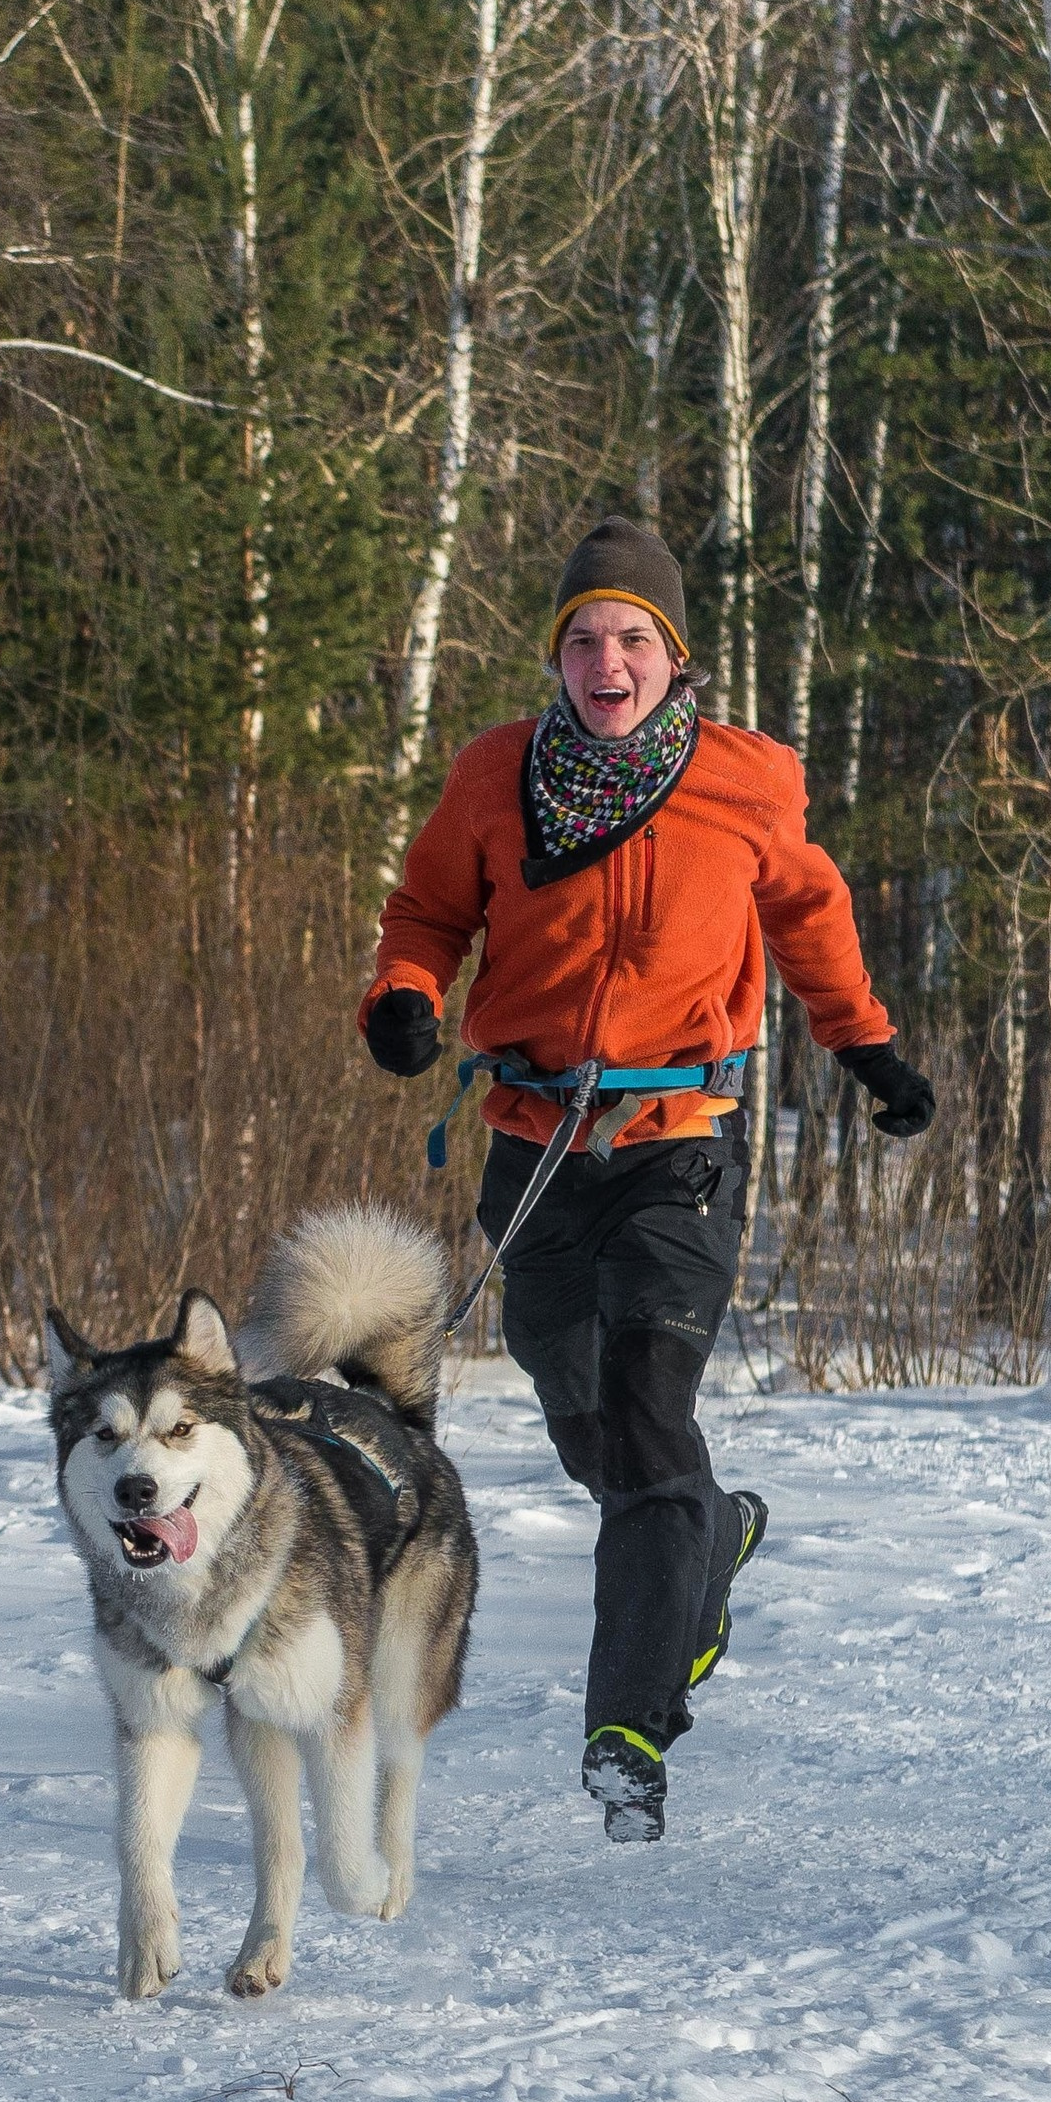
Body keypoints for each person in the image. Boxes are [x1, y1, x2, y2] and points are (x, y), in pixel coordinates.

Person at [359, 516, 934, 1841]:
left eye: (632, 637)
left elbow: (808, 916)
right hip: (530, 1139)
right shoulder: (497, 776)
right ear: (556, 657)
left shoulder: (747, 782)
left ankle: (628, 1727)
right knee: (590, 1432)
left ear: (673, 657)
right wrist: (403, 996)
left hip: (681, 1136)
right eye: (582, 638)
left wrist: (868, 1046)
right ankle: (708, 1537)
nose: (605, 658)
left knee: (649, 1412)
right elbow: (431, 913)